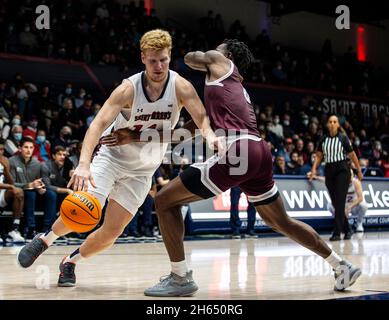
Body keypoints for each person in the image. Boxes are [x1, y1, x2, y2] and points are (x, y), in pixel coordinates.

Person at [137, 39, 361, 296]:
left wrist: (175, 60)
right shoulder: (231, 89)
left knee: (164, 200)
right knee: (280, 221)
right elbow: (197, 126)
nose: (214, 50)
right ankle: (340, 265)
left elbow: (189, 58)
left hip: (239, 149)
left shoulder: (220, 62)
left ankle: (179, 278)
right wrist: (156, 137)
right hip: (258, 151)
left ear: (228, 55)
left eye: (218, 47)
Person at [17, 29, 223, 288]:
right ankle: (45, 239)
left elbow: (201, 118)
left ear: (170, 57)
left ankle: (70, 262)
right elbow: (98, 123)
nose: (158, 66)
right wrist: (83, 164)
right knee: (84, 207)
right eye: (152, 60)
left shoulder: (181, 86)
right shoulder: (128, 88)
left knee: (111, 233)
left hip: (143, 170)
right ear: (142, 58)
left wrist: (211, 137)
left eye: (163, 60)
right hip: (111, 158)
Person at [310, 115, 363, 241]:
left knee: (339, 201)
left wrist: (359, 169)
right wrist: (313, 169)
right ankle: (348, 229)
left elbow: (352, 154)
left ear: (338, 125)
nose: (332, 124)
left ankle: (337, 233)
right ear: (327, 124)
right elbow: (318, 156)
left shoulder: (343, 138)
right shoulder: (323, 139)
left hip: (342, 171)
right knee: (336, 203)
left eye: (335, 122)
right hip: (329, 171)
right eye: (330, 122)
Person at [9, 137, 57, 239]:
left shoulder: (37, 164)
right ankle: (30, 228)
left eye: (31, 147)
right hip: (19, 193)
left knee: (51, 194)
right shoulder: (12, 161)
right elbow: (11, 183)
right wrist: (28, 185)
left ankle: (47, 229)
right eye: (26, 147)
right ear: (20, 148)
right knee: (30, 194)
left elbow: (40, 181)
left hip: (34, 191)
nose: (28, 150)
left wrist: (40, 187)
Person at [309, 168, 367, 233]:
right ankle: (341, 224)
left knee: (363, 205)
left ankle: (359, 223)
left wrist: (349, 207)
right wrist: (315, 177)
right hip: (343, 205)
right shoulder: (339, 181)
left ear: (353, 175)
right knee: (330, 205)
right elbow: (326, 180)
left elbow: (360, 198)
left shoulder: (356, 182)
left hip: (353, 205)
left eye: (351, 174)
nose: (349, 176)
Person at [0, 138, 25, 243]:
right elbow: (10, 186)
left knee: (19, 192)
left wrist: (6, 169)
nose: (0, 151)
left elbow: (11, 183)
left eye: (1, 149)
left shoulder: (5, 160)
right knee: (14, 188)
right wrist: (10, 187)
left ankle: (14, 229)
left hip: (2, 192)